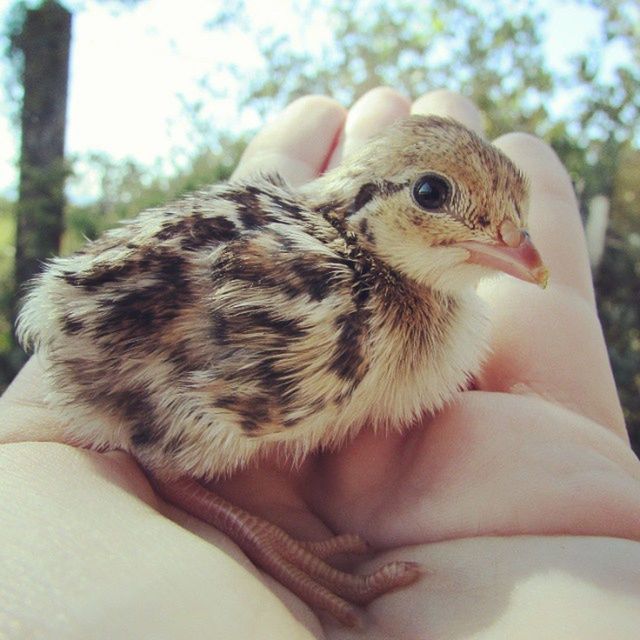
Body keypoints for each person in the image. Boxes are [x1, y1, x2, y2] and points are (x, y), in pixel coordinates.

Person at [1, 88, 638, 639]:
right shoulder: (329, 317)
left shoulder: (386, 297)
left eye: (512, 226)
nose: (513, 245)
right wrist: (257, 532)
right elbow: (148, 406)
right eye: (432, 193)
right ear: (373, 197)